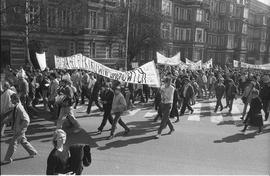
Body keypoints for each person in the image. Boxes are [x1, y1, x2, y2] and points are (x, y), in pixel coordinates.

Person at [1, 93, 38, 164]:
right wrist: (6, 120)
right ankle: (32, 152)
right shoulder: (16, 107)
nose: (10, 100)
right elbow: (13, 116)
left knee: (13, 143)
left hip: (19, 129)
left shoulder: (19, 108)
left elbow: (26, 120)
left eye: (11, 99)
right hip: (18, 129)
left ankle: (7, 159)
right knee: (23, 141)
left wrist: (21, 129)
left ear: (16, 99)